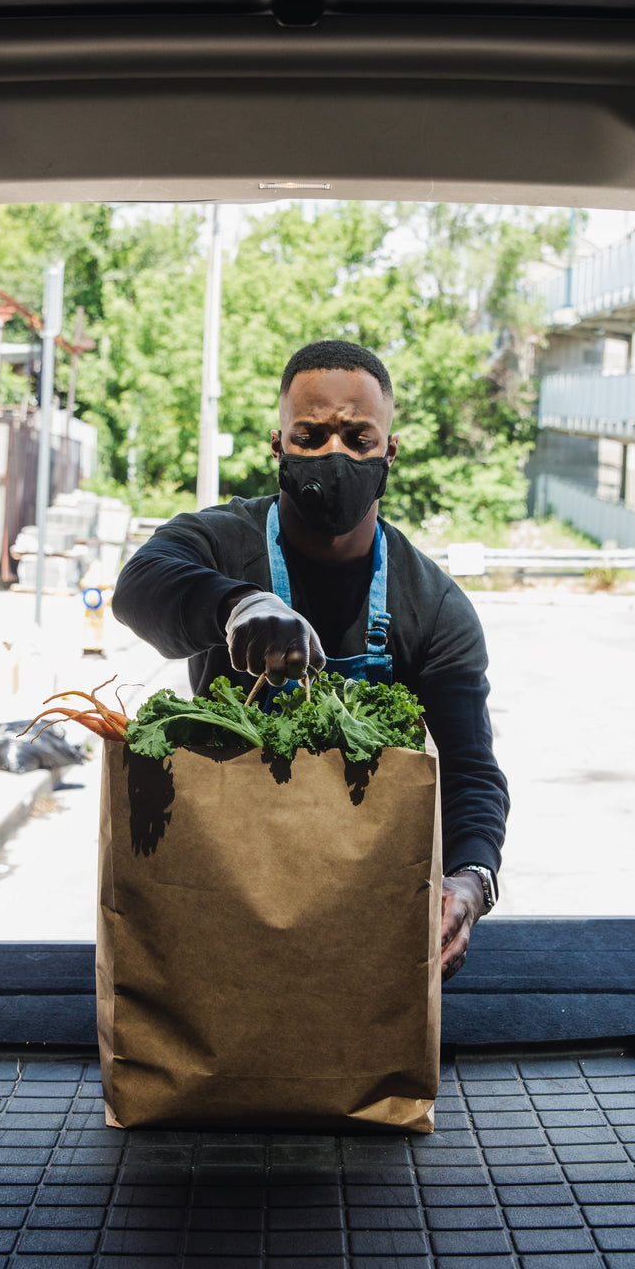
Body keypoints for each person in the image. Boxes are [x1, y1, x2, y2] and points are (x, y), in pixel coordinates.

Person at [113, 339, 509, 980]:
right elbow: (140, 585)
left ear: (389, 452)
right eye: (310, 435)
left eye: (358, 438)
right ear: (279, 447)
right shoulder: (221, 541)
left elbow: (470, 773)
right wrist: (236, 606)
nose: (335, 454)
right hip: (223, 883)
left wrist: (470, 881)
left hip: (366, 904)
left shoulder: (432, 605)